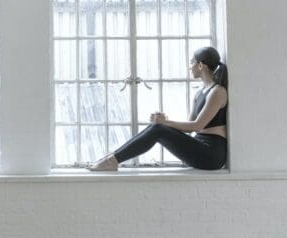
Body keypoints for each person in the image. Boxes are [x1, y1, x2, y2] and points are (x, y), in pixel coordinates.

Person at [87, 46, 228, 171]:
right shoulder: (200, 93)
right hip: (200, 146)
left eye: (192, 62)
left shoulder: (217, 92)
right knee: (157, 127)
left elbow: (197, 126)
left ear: (201, 65)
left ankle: (112, 160)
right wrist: (164, 121)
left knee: (158, 128)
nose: (189, 66)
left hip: (212, 154)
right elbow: (189, 127)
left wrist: (164, 123)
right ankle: (112, 158)